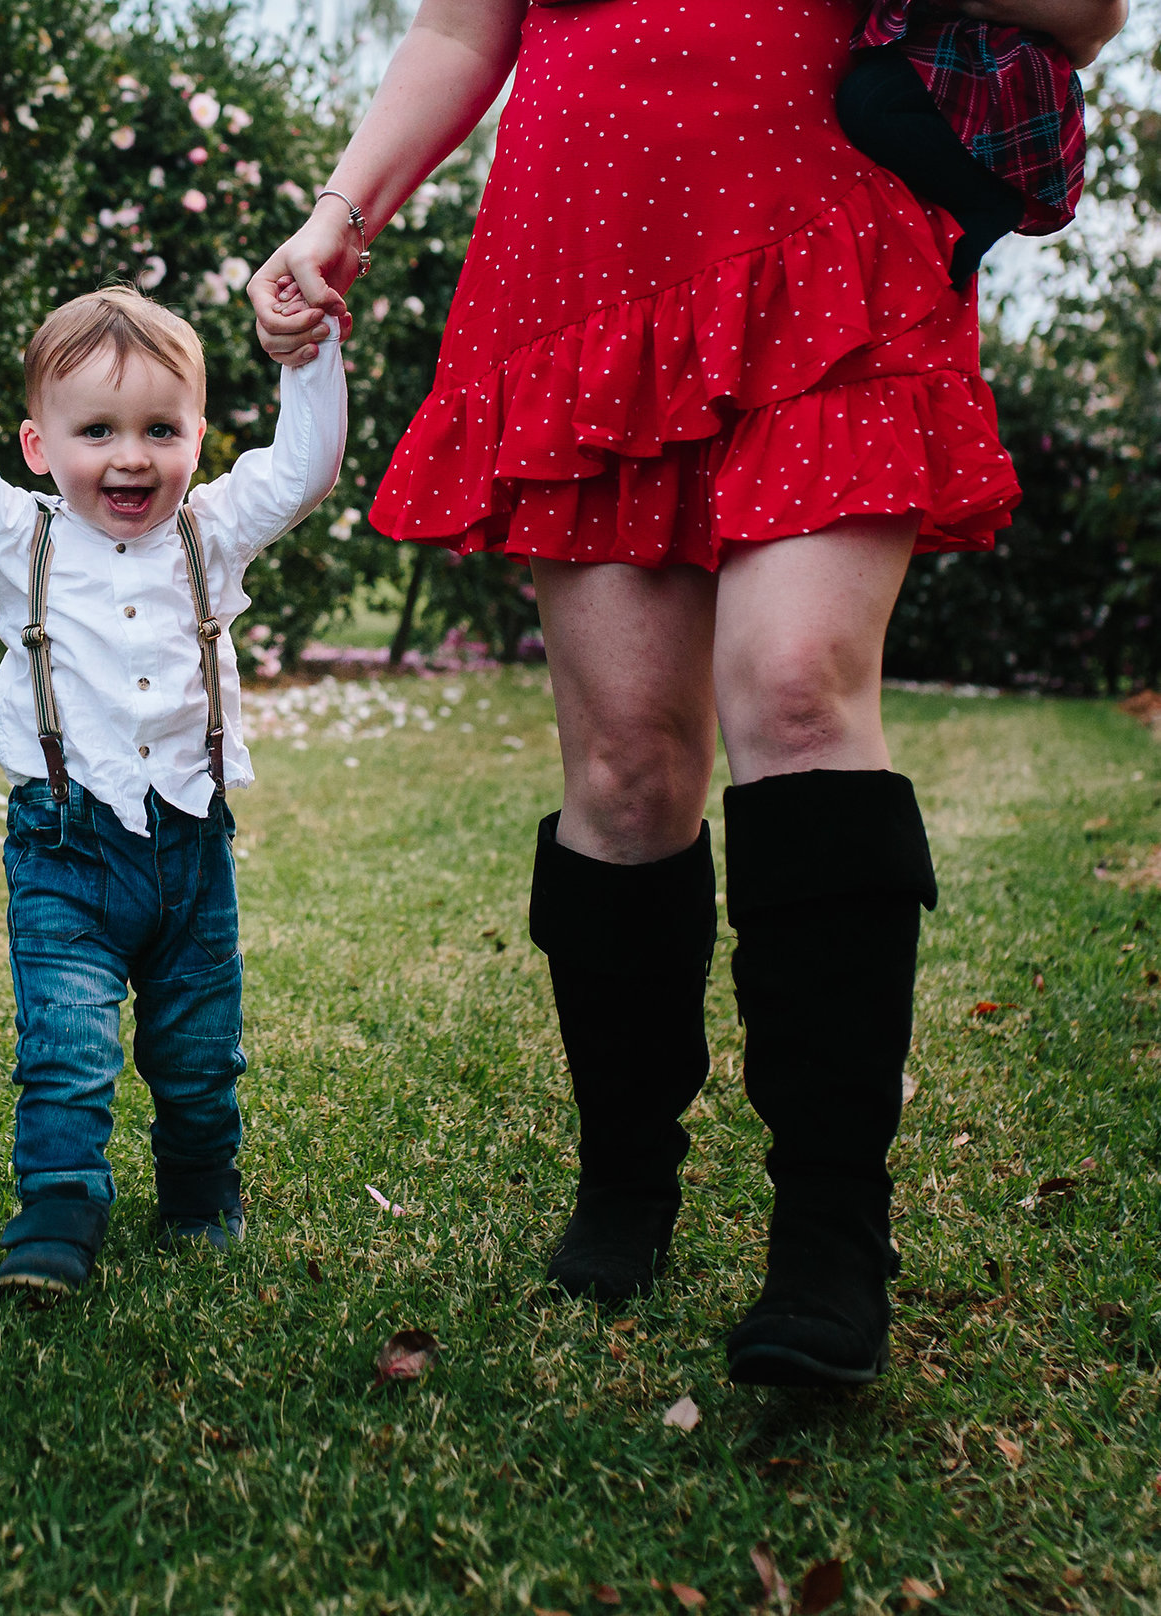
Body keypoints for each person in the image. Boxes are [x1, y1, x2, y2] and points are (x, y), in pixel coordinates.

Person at [252, 0, 1122, 1388]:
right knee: (627, 770)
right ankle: (625, 1179)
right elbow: (461, 32)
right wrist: (338, 214)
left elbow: (1087, 9)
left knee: (795, 686)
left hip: (822, 232)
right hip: (586, 257)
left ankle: (832, 1236)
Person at [0, 286, 347, 1295]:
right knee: (66, 1045)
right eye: (97, 431)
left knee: (200, 1052)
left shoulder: (209, 534)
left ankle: (202, 1190)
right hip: (63, 848)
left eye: (159, 428)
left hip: (191, 846)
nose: (130, 455)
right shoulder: (15, 534)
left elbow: (304, 469)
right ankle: (58, 1209)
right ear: (38, 445)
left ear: (197, 438)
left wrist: (310, 355)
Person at [837, 0, 1105, 287]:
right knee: (869, 102)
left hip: (995, 55)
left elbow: (1102, 15)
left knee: (868, 102)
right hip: (957, 46)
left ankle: (990, 201)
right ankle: (984, 207)